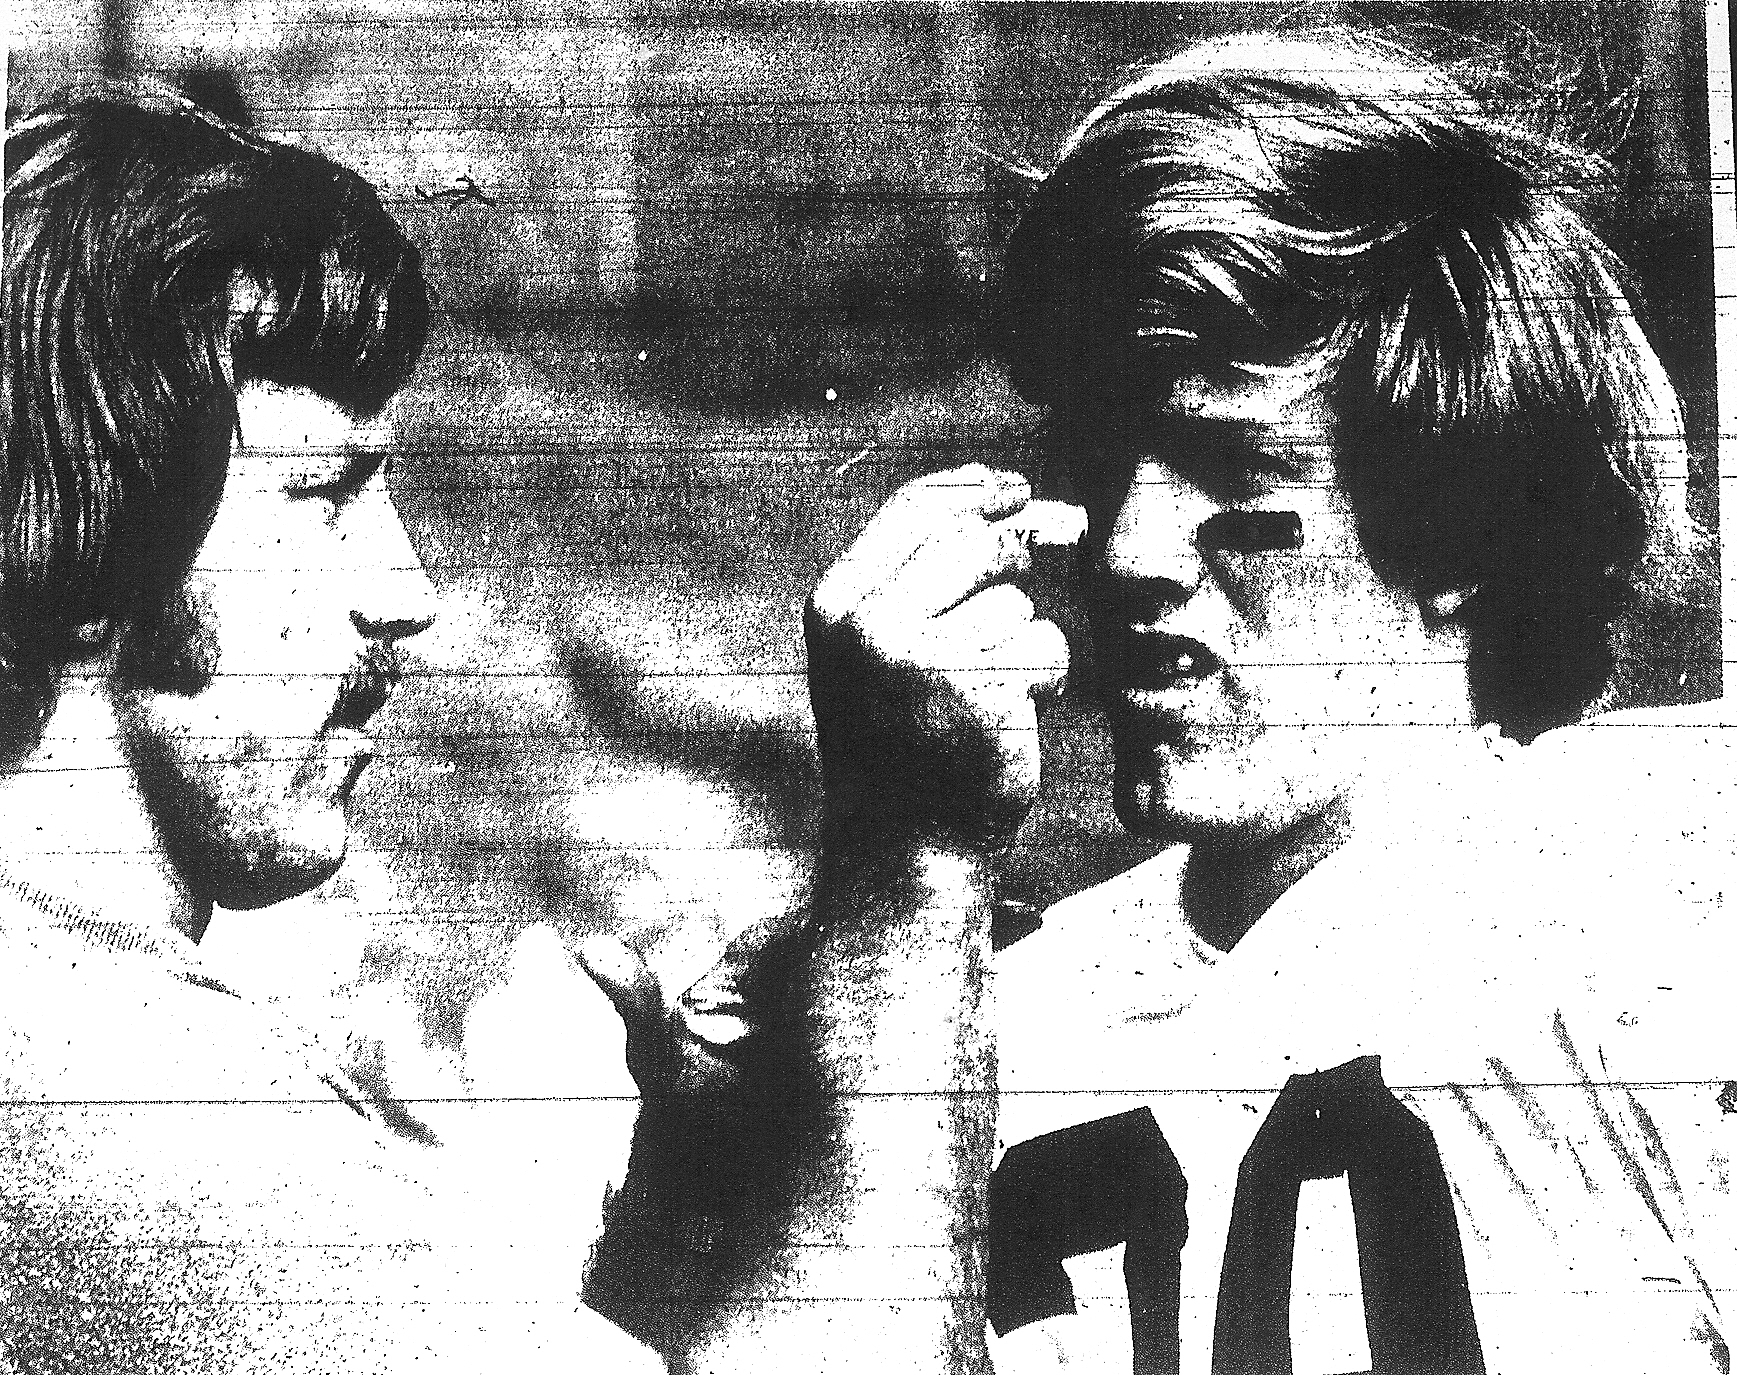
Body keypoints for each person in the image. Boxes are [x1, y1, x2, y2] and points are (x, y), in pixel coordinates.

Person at [583, 28, 1730, 1373]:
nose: (1128, 551)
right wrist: (711, 1191)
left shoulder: (1661, 928)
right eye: (1100, 459)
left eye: (1233, 483)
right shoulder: (970, 1020)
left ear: (1466, 519)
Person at [1, 82, 656, 1371]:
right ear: (100, 515)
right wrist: (916, 875)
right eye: (328, 492)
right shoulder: (113, 1089)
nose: (404, 592)